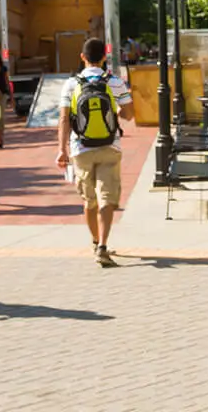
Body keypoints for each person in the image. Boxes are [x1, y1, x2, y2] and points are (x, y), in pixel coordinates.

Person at [57, 38, 133, 268]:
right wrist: (115, 111)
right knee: (107, 199)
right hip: (110, 147)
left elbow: (63, 119)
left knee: (89, 200)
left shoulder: (71, 84)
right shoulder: (115, 82)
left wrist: (62, 150)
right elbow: (129, 115)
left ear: (82, 57)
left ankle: (95, 241)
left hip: (81, 148)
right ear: (104, 58)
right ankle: (103, 246)